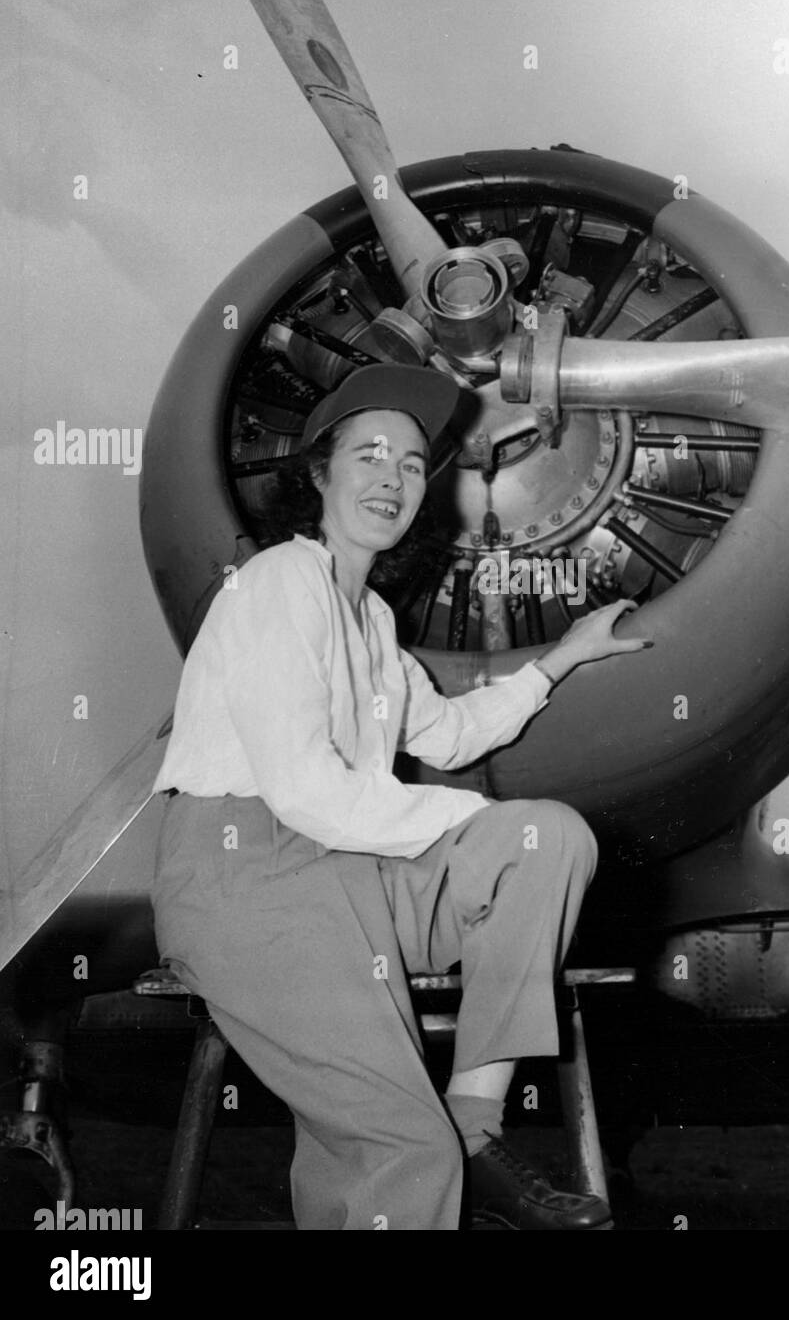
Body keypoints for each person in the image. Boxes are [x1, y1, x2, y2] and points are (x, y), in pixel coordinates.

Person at [150, 362, 652, 1230]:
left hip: (354, 872)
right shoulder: (276, 583)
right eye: (370, 455)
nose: (392, 478)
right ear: (318, 474)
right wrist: (466, 815)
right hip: (247, 881)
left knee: (547, 841)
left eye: (414, 464)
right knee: (397, 1149)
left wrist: (563, 657)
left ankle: (473, 1126)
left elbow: (450, 737)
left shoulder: (372, 621)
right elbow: (309, 792)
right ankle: (435, 1149)